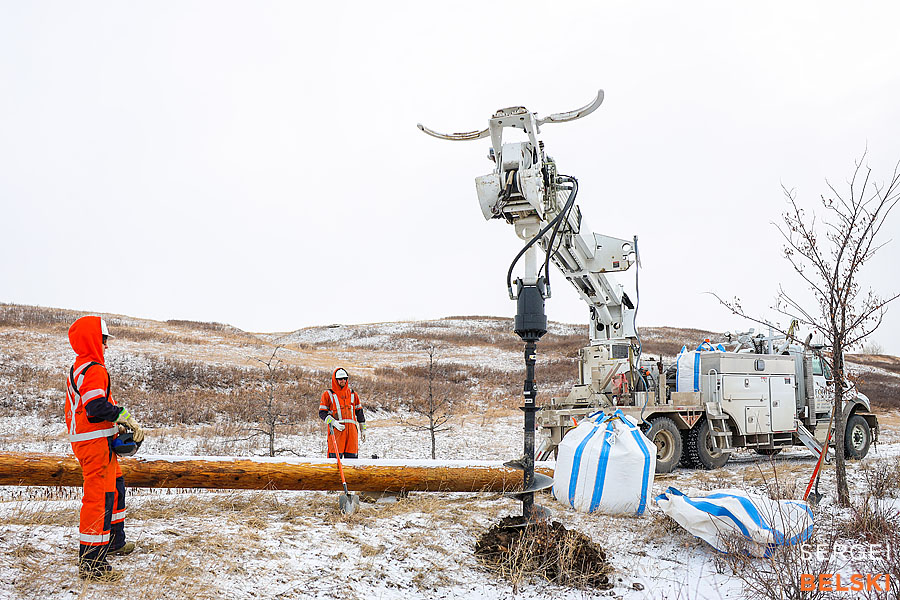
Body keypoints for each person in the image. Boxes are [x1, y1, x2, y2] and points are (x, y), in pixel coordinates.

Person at [65, 316, 145, 581]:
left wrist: (117, 425)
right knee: (99, 499)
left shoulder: (81, 367)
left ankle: (114, 541)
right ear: (93, 340)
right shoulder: (94, 369)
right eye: (103, 339)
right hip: (94, 443)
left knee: (115, 490)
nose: (106, 345)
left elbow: (94, 406)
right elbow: (96, 407)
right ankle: (92, 564)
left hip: (97, 441)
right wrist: (123, 415)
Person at [319, 367, 366, 458]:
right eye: (340, 379)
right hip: (337, 431)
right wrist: (333, 422)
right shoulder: (328, 394)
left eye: (345, 378)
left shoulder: (353, 394)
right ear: (335, 380)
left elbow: (360, 413)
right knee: (334, 461)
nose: (343, 381)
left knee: (352, 463)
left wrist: (363, 429)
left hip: (352, 433)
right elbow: (322, 413)